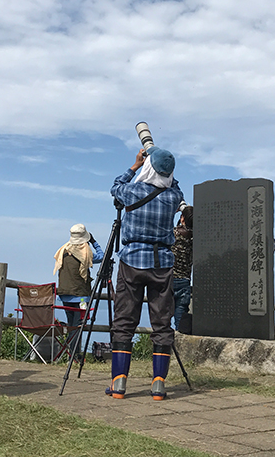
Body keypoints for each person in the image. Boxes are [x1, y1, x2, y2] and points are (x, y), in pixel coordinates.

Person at [107, 147, 185, 400]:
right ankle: (159, 384)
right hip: (162, 262)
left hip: (132, 261)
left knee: (124, 320)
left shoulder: (133, 192)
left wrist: (135, 165)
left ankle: (119, 383)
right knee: (162, 322)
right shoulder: (172, 197)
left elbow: (116, 186)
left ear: (148, 167)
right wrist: (163, 164)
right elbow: (176, 186)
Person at [53, 223, 103, 356]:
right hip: (81, 297)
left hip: (64, 295)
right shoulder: (85, 254)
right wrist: (93, 241)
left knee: (71, 325)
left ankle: (70, 353)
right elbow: (102, 256)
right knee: (78, 326)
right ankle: (74, 355)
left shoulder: (62, 251)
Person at [171, 205, 193, 331]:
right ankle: (179, 347)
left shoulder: (174, 234)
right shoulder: (196, 238)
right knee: (180, 319)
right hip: (185, 280)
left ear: (183, 219)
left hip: (169, 279)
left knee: (162, 317)